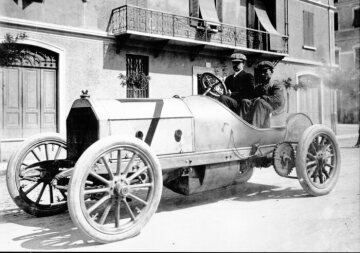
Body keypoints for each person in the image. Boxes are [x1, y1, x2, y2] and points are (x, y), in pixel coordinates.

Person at [240, 61, 285, 128]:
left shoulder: (276, 85)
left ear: (271, 72)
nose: (262, 74)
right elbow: (253, 98)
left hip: (273, 110)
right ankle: (243, 127)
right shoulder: (259, 87)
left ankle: (255, 130)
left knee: (260, 102)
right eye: (261, 72)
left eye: (265, 71)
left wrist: (262, 97)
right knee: (245, 101)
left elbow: (278, 100)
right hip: (259, 109)